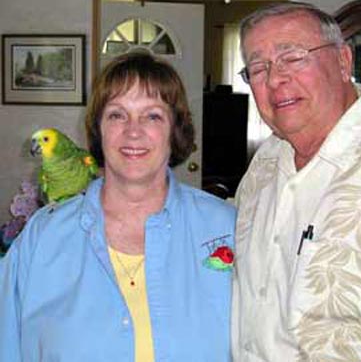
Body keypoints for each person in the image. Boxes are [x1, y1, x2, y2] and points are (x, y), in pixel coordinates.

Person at [0, 51, 236, 362]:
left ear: (174, 130)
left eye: (152, 115)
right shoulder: (43, 236)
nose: (133, 131)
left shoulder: (226, 228)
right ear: (98, 128)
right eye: (117, 115)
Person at [232, 2, 361, 362]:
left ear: (343, 61)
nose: (275, 79)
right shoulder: (266, 161)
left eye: (292, 58)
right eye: (258, 68)